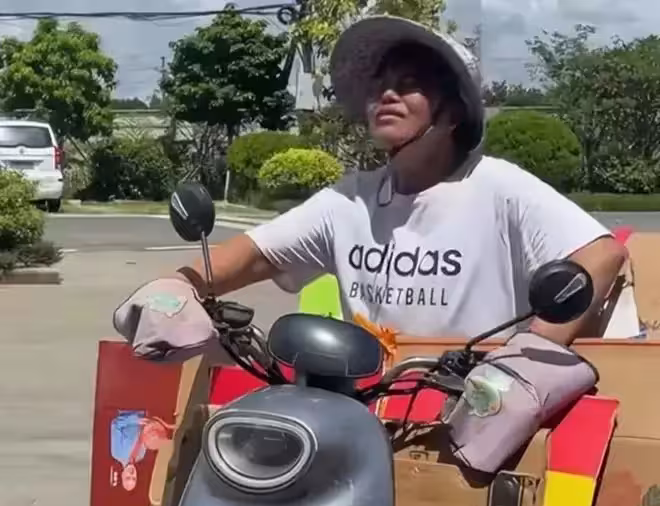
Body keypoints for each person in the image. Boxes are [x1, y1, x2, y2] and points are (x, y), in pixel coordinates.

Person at [114, 15, 625, 360]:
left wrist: (525, 364)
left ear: (451, 113)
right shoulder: (348, 200)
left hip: (475, 407)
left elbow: (601, 255)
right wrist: (176, 288)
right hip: (363, 401)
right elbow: (254, 255)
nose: (387, 95)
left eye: (409, 85)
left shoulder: (498, 188)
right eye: (381, 86)